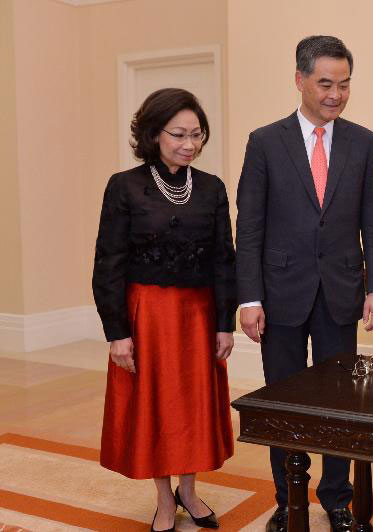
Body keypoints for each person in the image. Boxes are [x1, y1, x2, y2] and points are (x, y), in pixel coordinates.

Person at [235, 36, 373, 532]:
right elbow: (249, 226)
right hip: (280, 293)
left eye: (344, 84)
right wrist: (249, 297)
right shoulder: (265, 141)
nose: (335, 95)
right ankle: (288, 499)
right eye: (325, 84)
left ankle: (337, 499)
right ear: (299, 79)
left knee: (341, 403)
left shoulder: (364, 142)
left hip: (341, 292)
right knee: (283, 404)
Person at [92, 88, 236, 532]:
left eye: (197, 134)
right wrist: (117, 333)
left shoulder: (211, 188)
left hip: (198, 316)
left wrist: (225, 323)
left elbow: (224, 260)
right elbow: (108, 262)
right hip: (147, 317)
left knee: (190, 405)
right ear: (154, 134)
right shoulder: (124, 186)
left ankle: (188, 491)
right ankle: (163, 499)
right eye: (179, 134)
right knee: (155, 405)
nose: (189, 144)